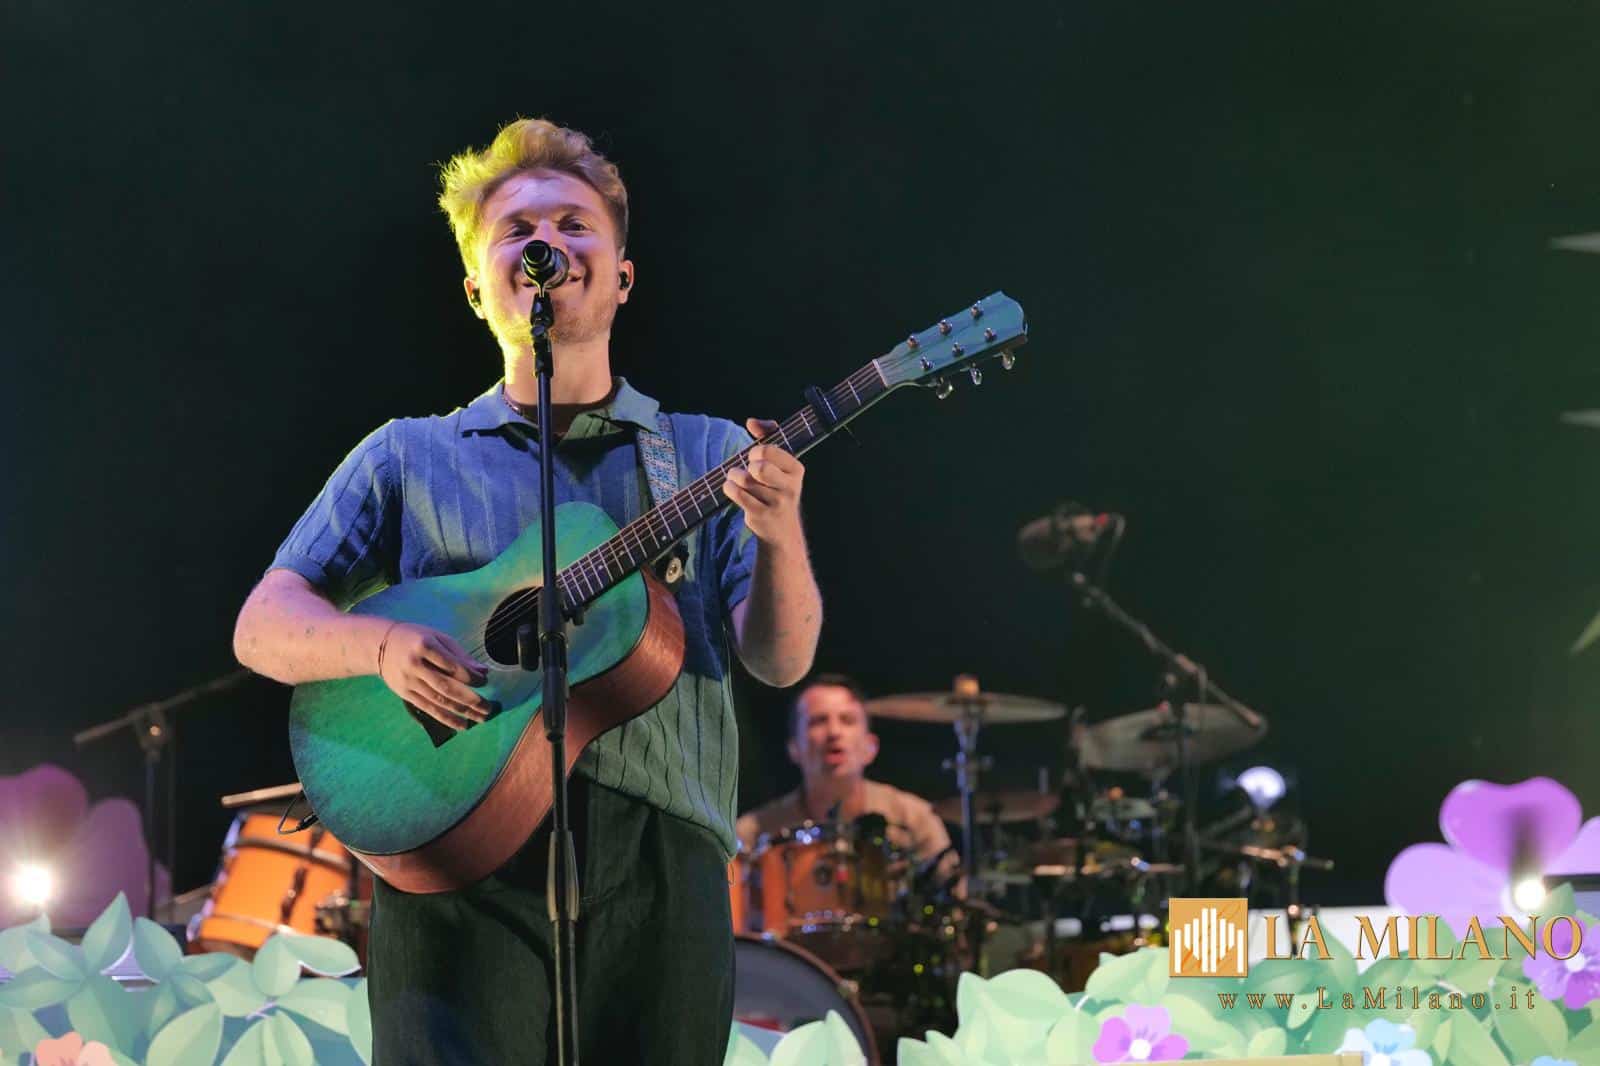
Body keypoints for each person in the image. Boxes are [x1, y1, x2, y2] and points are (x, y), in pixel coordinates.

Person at [232, 117, 822, 1065]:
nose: (548, 241)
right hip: (452, 845)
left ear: (622, 276)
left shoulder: (708, 453)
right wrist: (379, 646)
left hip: (661, 858)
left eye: (575, 224)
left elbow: (780, 660)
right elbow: (264, 624)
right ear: (478, 288)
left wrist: (779, 529)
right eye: (518, 230)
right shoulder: (406, 455)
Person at [736, 675, 959, 892]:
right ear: (794, 749)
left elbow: (954, 900)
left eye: (847, 720)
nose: (834, 732)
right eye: (818, 721)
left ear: (871, 747)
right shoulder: (751, 834)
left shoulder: (916, 819)